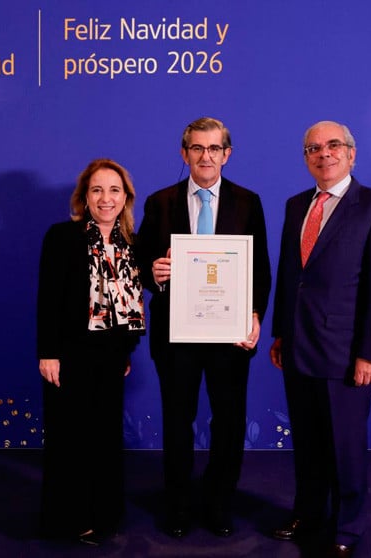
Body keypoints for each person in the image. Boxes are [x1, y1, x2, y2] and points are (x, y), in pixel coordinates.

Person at [269, 121, 371, 557]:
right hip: (297, 345)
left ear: (351, 153)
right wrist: (278, 333)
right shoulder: (295, 206)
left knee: (344, 445)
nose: (323, 153)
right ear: (306, 157)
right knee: (307, 441)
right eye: (313, 147)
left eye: (333, 146)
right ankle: (308, 513)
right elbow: (290, 277)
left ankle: (347, 526)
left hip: (347, 353)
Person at [137, 116, 271, 538]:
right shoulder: (160, 202)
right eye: (197, 148)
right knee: (178, 422)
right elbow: (138, 265)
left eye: (214, 149)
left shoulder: (249, 202)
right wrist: (153, 272)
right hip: (176, 336)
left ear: (226, 155)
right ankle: (177, 506)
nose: (206, 156)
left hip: (230, 335)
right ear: (184, 154)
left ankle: (219, 504)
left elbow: (260, 270)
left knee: (229, 422)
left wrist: (254, 316)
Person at [37, 158, 145, 546]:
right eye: (97, 189)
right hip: (69, 355)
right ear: (84, 196)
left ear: (126, 197)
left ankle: (105, 515)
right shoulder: (62, 237)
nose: (106, 198)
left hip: (112, 357)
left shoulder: (132, 242)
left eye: (114, 190)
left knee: (103, 439)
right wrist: (48, 352)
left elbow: (130, 301)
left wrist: (126, 351)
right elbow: (48, 299)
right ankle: (67, 519)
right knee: (70, 441)